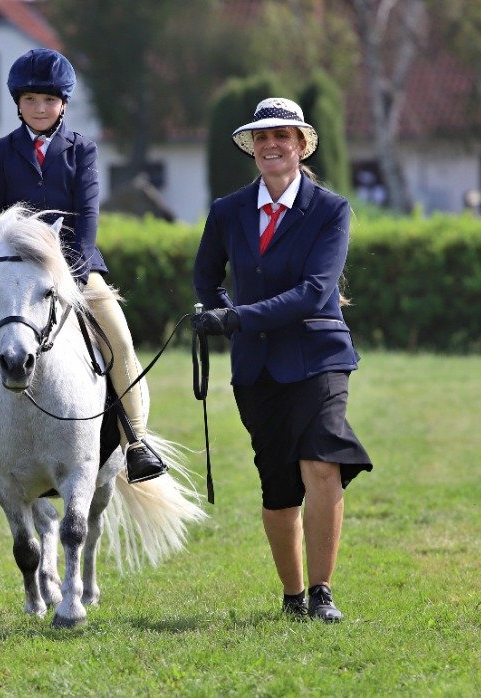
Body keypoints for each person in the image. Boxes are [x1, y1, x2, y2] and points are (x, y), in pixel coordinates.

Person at [0, 48, 166, 486]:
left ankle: (137, 442)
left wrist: (66, 277)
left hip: (73, 271)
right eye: (32, 100)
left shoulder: (83, 152)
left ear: (64, 104)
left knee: (121, 341)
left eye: (49, 100)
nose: (40, 108)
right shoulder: (0, 152)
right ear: (18, 103)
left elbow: (88, 220)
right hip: (12, 272)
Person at [192, 98, 373, 622]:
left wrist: (238, 318)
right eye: (262, 137)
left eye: (283, 136)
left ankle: (322, 593)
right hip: (256, 366)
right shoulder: (227, 211)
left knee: (321, 462)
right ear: (252, 148)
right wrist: (220, 312)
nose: (272, 145)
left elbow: (316, 291)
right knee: (276, 481)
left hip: (319, 355)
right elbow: (206, 280)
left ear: (301, 146)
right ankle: (293, 597)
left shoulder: (331, 210)